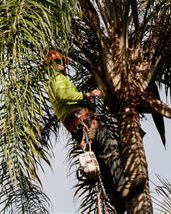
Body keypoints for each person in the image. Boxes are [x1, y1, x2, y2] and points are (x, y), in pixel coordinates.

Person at [45, 50, 141, 203]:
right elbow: (64, 95)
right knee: (109, 145)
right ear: (52, 65)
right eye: (57, 62)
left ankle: (117, 199)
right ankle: (123, 185)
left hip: (78, 124)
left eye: (60, 62)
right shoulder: (56, 80)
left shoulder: (58, 80)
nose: (61, 65)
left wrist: (86, 100)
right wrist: (88, 95)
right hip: (83, 121)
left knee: (102, 160)